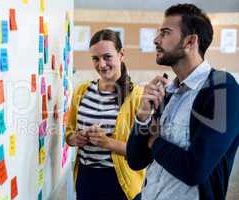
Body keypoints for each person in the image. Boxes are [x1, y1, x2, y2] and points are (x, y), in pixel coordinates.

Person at [127, 3, 239, 200]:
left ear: (190, 41)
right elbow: (136, 160)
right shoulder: (169, 93)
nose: (155, 40)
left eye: (165, 33)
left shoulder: (222, 87)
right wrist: (142, 116)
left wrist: (155, 141)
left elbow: (195, 169)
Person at [65, 29, 145, 200]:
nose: (101, 64)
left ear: (121, 54)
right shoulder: (82, 90)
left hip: (120, 183)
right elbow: (69, 134)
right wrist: (75, 138)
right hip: (86, 179)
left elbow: (142, 152)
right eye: (95, 58)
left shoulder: (137, 96)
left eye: (107, 57)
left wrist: (107, 143)